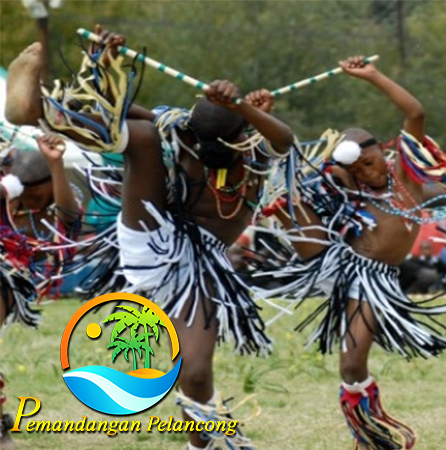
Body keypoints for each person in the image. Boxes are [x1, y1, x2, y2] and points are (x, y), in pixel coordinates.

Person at [6, 27, 294, 450]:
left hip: (203, 265)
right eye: (198, 140)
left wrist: (242, 109)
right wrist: (105, 62)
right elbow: (127, 113)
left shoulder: (255, 154)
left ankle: (204, 442)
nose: (203, 151)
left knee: (195, 373)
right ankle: (32, 111)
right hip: (154, 236)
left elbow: (283, 139)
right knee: (139, 136)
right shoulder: (181, 133)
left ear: (241, 139)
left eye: (219, 145)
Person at [257, 55, 446, 450]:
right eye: (356, 171)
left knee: (352, 365)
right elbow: (299, 158)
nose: (366, 174)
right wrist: (262, 116)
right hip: (347, 268)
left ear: (382, 151)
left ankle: (370, 436)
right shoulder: (346, 183)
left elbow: (415, 111)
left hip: (378, 279)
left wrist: (372, 76)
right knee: (288, 192)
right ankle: (370, 437)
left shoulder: (406, 173)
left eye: (370, 163)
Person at [0, 134, 80, 446]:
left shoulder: (55, 201)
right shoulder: (8, 196)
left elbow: (70, 229)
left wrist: (56, 164)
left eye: (35, 196)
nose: (29, 204)